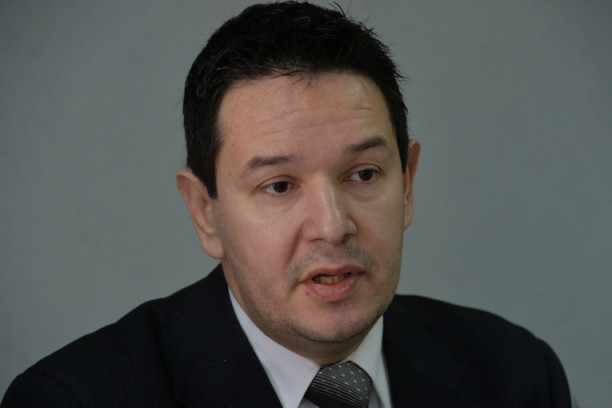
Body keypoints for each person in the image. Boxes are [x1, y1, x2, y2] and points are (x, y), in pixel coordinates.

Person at [2, 2, 571, 407]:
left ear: (408, 185)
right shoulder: (75, 397)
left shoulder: (517, 377)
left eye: (364, 174)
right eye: (279, 186)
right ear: (205, 212)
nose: (332, 225)